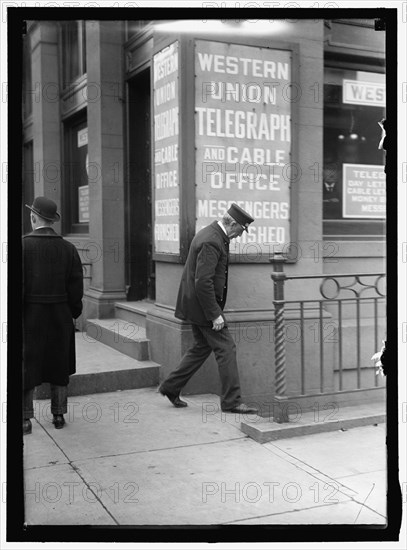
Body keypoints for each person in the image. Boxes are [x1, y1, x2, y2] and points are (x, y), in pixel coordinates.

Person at [159, 203, 257, 414]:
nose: (240, 235)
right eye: (241, 230)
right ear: (232, 224)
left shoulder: (214, 235)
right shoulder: (212, 241)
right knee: (226, 348)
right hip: (203, 308)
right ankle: (232, 401)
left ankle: (171, 386)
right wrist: (215, 315)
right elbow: (203, 282)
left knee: (201, 347)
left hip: (196, 306)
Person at [23, 197, 83, 434]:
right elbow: (76, 288)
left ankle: (25, 419)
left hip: (30, 316)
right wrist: (72, 313)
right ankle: (58, 415)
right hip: (60, 314)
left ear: (33, 217)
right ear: (53, 221)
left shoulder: (22, 246)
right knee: (60, 364)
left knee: (26, 365)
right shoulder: (68, 249)